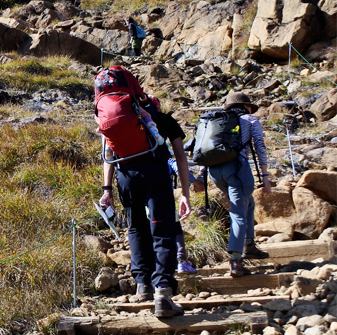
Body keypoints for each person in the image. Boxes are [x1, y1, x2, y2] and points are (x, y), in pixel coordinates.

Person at [100, 92, 191, 318]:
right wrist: (185, 194)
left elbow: (108, 156)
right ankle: (163, 293)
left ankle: (143, 285)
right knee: (162, 230)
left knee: (136, 227)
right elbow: (180, 157)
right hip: (156, 175)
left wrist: (107, 189)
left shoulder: (120, 125)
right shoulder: (165, 120)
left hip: (126, 178)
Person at [206, 92, 273, 278]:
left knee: (248, 203)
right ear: (247, 106)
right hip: (236, 169)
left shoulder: (216, 119)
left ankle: (249, 245)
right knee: (239, 212)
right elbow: (260, 146)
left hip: (215, 172)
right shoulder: (250, 120)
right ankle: (236, 260)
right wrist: (265, 176)